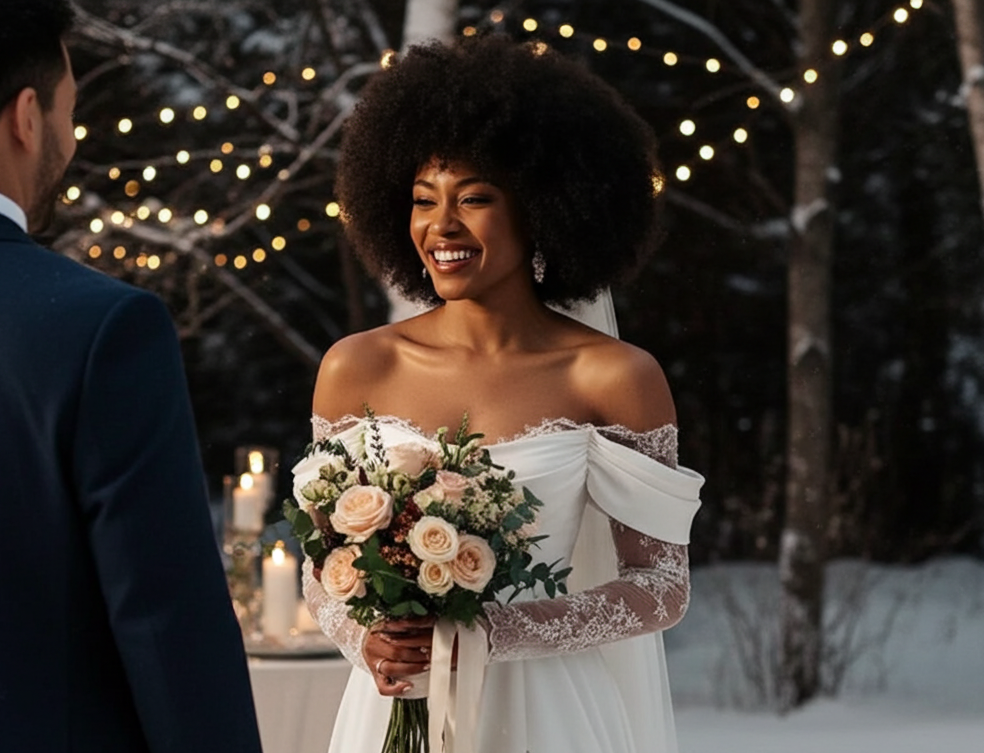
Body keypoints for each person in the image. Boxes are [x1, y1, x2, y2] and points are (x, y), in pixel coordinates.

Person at [300, 35, 704, 753]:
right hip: (392, 713)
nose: (441, 226)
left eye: (475, 198)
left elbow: (661, 584)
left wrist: (495, 632)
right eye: (423, 200)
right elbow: (319, 566)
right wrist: (363, 636)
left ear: (544, 208)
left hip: (552, 716)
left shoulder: (614, 377)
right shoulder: (354, 368)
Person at [0, 2, 263, 750]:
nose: (70, 138)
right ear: (25, 117)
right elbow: (167, 622)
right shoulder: (98, 326)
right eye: (69, 112)